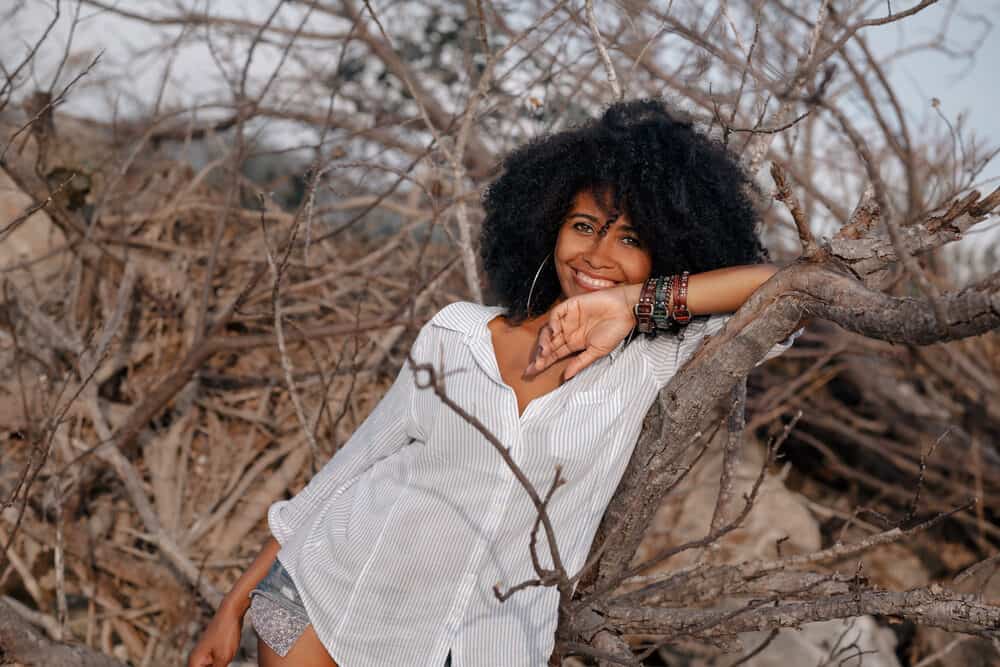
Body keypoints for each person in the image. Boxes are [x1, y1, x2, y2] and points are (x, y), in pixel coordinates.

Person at [187, 99, 802, 667]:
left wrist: (633, 304)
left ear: (669, 250)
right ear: (545, 224)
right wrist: (234, 604)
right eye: (583, 226)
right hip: (326, 602)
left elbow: (788, 292)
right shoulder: (455, 334)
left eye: (632, 239)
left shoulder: (649, 363)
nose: (596, 255)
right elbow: (351, 469)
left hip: (484, 647)